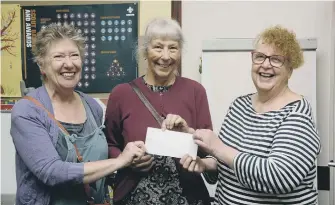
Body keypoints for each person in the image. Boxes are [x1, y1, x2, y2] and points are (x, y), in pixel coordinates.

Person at [174, 25, 322, 205]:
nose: (265, 65)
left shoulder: (297, 114)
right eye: (259, 57)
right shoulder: (239, 106)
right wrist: (205, 164)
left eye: (276, 59)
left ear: (290, 69)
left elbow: (279, 178)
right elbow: (227, 164)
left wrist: (218, 148)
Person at [10, 23, 146, 205]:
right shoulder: (27, 111)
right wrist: (120, 161)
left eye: (75, 55)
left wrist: (134, 158)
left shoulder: (92, 106)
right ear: (42, 65)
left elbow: (100, 162)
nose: (69, 64)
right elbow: (51, 172)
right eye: (58, 56)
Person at [104, 18, 216, 205]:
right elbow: (109, 144)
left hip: (187, 198)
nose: (166, 56)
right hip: (134, 197)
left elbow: (209, 149)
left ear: (180, 52)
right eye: (158, 47)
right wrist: (127, 159)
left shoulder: (195, 91)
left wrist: (190, 134)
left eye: (173, 48)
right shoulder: (121, 93)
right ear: (145, 51)